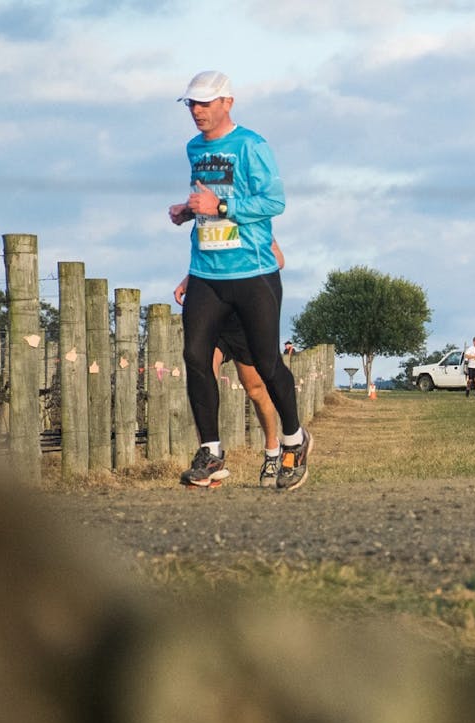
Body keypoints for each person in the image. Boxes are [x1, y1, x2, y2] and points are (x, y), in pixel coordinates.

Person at [167, 70, 310, 490]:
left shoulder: (252, 145)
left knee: (266, 365)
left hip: (254, 274)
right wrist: (190, 211)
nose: (197, 111)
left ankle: (294, 440)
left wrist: (221, 205)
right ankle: (211, 452)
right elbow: (209, 205)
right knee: (195, 356)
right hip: (206, 274)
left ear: (227, 103)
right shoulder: (194, 148)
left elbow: (274, 201)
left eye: (205, 103)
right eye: (191, 104)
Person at [175, 239, 286, 486]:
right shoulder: (208, 222)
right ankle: (209, 457)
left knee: (255, 389)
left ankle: (272, 450)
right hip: (213, 315)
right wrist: (190, 279)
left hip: (244, 319)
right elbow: (207, 262)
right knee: (203, 372)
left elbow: (278, 259)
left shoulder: (249, 218)